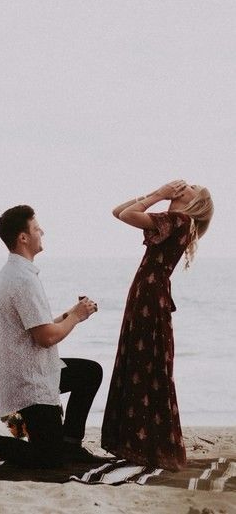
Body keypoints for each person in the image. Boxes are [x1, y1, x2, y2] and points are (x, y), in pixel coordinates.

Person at [0, 205, 105, 469]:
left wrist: (73, 313)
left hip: (28, 368)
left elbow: (38, 326)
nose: (41, 231)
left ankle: (70, 443)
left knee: (89, 373)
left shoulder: (16, 273)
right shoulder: (22, 279)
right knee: (48, 460)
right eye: (36, 228)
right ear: (23, 237)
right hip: (26, 379)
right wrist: (75, 317)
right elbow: (45, 338)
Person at [101, 180, 214, 471]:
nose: (182, 186)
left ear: (194, 203)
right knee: (145, 362)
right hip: (150, 292)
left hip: (149, 295)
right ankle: (137, 443)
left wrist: (159, 194)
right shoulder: (177, 222)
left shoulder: (178, 219)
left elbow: (125, 215)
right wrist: (154, 195)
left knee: (144, 363)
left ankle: (139, 445)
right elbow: (117, 211)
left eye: (189, 188)